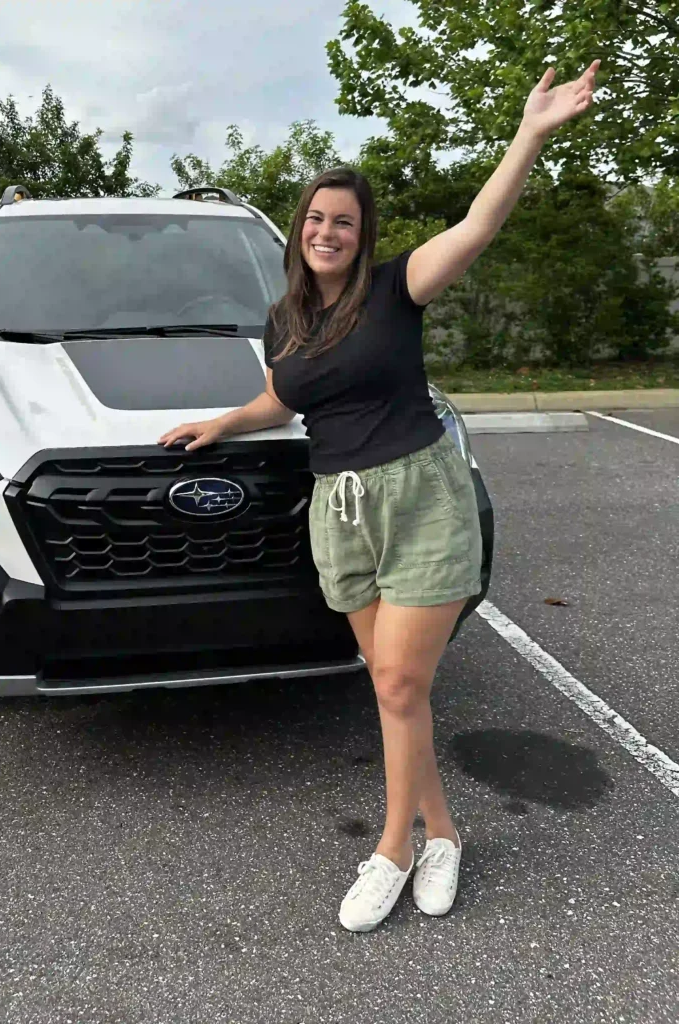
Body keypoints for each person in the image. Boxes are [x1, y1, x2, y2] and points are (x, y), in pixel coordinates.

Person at [159, 60, 599, 932]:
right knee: (392, 687)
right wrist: (224, 423)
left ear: (364, 235)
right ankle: (447, 833)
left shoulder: (399, 289)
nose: (329, 232)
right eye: (317, 219)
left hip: (420, 496)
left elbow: (478, 223)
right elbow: (285, 399)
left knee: (400, 678)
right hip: (340, 508)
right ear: (299, 230)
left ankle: (391, 847)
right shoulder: (282, 320)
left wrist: (530, 132)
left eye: (345, 222)